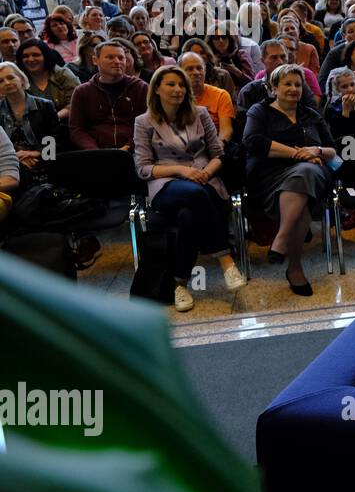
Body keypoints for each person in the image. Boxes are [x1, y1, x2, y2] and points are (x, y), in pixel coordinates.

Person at [133, 66, 246, 311]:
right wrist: (182, 171)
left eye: (182, 85)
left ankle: (179, 284)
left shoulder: (200, 113)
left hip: (206, 179)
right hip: (167, 183)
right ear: (157, 89)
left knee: (188, 216)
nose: (178, 89)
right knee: (195, 194)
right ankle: (226, 259)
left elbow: (219, 154)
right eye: (171, 84)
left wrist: (207, 171)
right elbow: (143, 168)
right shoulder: (144, 122)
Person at [242, 64, 337, 296]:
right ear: (273, 88)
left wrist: (315, 150)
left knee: (306, 172)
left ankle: (281, 239)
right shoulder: (260, 111)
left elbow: (332, 149)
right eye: (287, 84)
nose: (294, 88)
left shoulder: (310, 114)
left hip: (312, 175)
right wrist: (296, 153)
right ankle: (294, 268)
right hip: (270, 177)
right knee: (302, 202)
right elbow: (253, 141)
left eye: (298, 84)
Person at [67, 41, 148, 151]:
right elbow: (77, 129)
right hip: (95, 153)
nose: (117, 61)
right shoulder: (82, 91)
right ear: (95, 60)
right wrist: (94, 151)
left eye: (121, 58)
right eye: (110, 57)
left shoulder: (141, 88)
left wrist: (128, 147)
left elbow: (147, 124)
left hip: (135, 150)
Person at [0, 60, 59, 185]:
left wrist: (36, 153)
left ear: (21, 78)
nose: (7, 83)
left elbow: (55, 138)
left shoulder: (45, 105)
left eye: (10, 77)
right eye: (1, 81)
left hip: (44, 160)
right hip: (12, 165)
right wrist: (17, 159)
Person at [178, 51, 236, 142]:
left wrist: (217, 151)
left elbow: (226, 130)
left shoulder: (220, 95)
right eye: (190, 69)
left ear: (205, 71)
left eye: (199, 68)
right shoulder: (173, 96)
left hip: (213, 146)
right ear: (180, 72)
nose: (196, 72)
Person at [17, 38, 79, 121]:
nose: (30, 59)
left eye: (36, 55)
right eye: (25, 56)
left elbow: (76, 102)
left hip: (67, 123)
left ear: (45, 56)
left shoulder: (62, 74)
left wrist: (54, 118)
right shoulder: (18, 78)